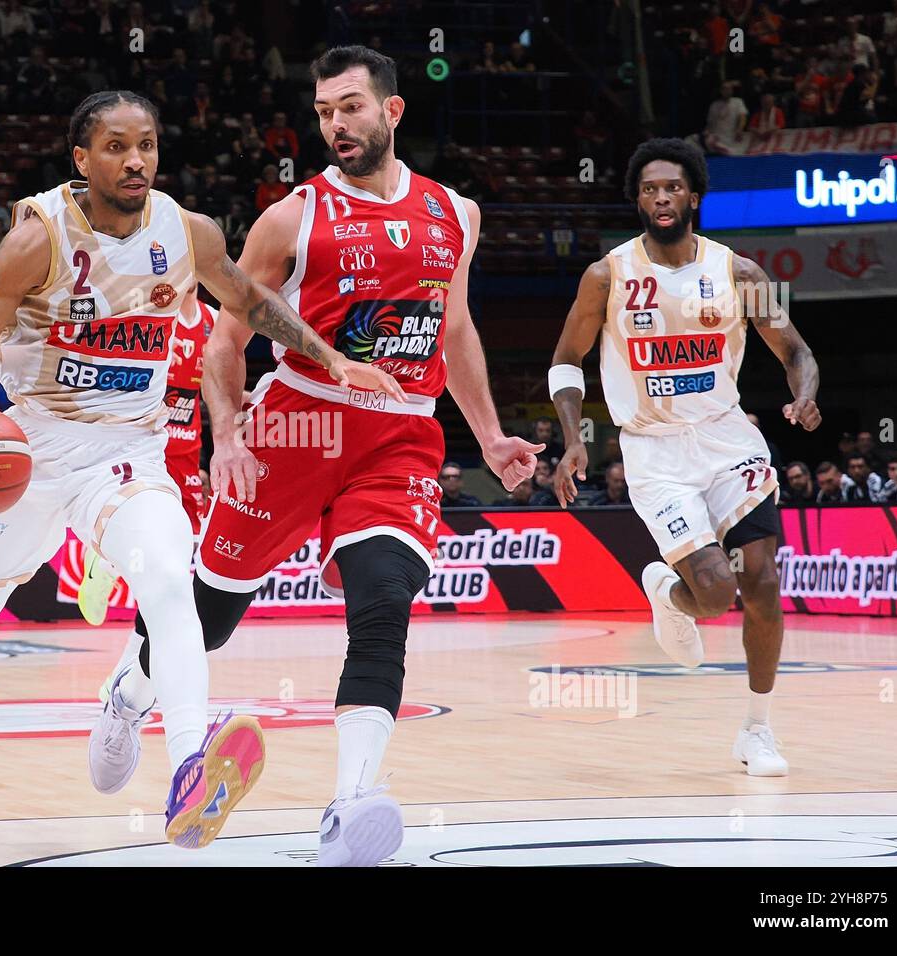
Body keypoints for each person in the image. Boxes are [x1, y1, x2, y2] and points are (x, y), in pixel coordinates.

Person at [0, 89, 399, 851]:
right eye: (118, 147)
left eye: (148, 145)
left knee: (167, 579)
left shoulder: (186, 232)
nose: (136, 161)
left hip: (128, 452)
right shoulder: (36, 239)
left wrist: (330, 357)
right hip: (29, 454)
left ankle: (191, 766)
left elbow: (249, 299)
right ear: (81, 159)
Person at [94, 49, 542, 865]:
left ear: (392, 112)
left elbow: (459, 330)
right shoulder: (290, 217)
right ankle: (127, 696)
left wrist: (489, 434)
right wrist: (226, 435)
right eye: (324, 109)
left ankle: (352, 802)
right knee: (211, 617)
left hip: (403, 432)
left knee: (385, 598)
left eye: (350, 107)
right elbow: (226, 341)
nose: (335, 123)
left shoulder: (458, 215)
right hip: (299, 427)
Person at [550, 137, 822, 777]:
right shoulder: (608, 275)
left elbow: (796, 352)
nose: (661, 197)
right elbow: (567, 359)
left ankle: (757, 730)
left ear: (693, 195)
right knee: (716, 591)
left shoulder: (737, 274)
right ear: (637, 199)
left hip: (728, 443)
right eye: (649, 189)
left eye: (671, 187)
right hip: (654, 451)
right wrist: (571, 441)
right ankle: (671, 594)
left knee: (761, 582)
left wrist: (804, 397)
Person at [77, 284, 219, 625]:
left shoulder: (212, 320)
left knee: (188, 536)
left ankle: (111, 567)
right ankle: (107, 565)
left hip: (189, 443)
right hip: (147, 438)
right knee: (147, 524)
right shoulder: (156, 312)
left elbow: (215, 383)